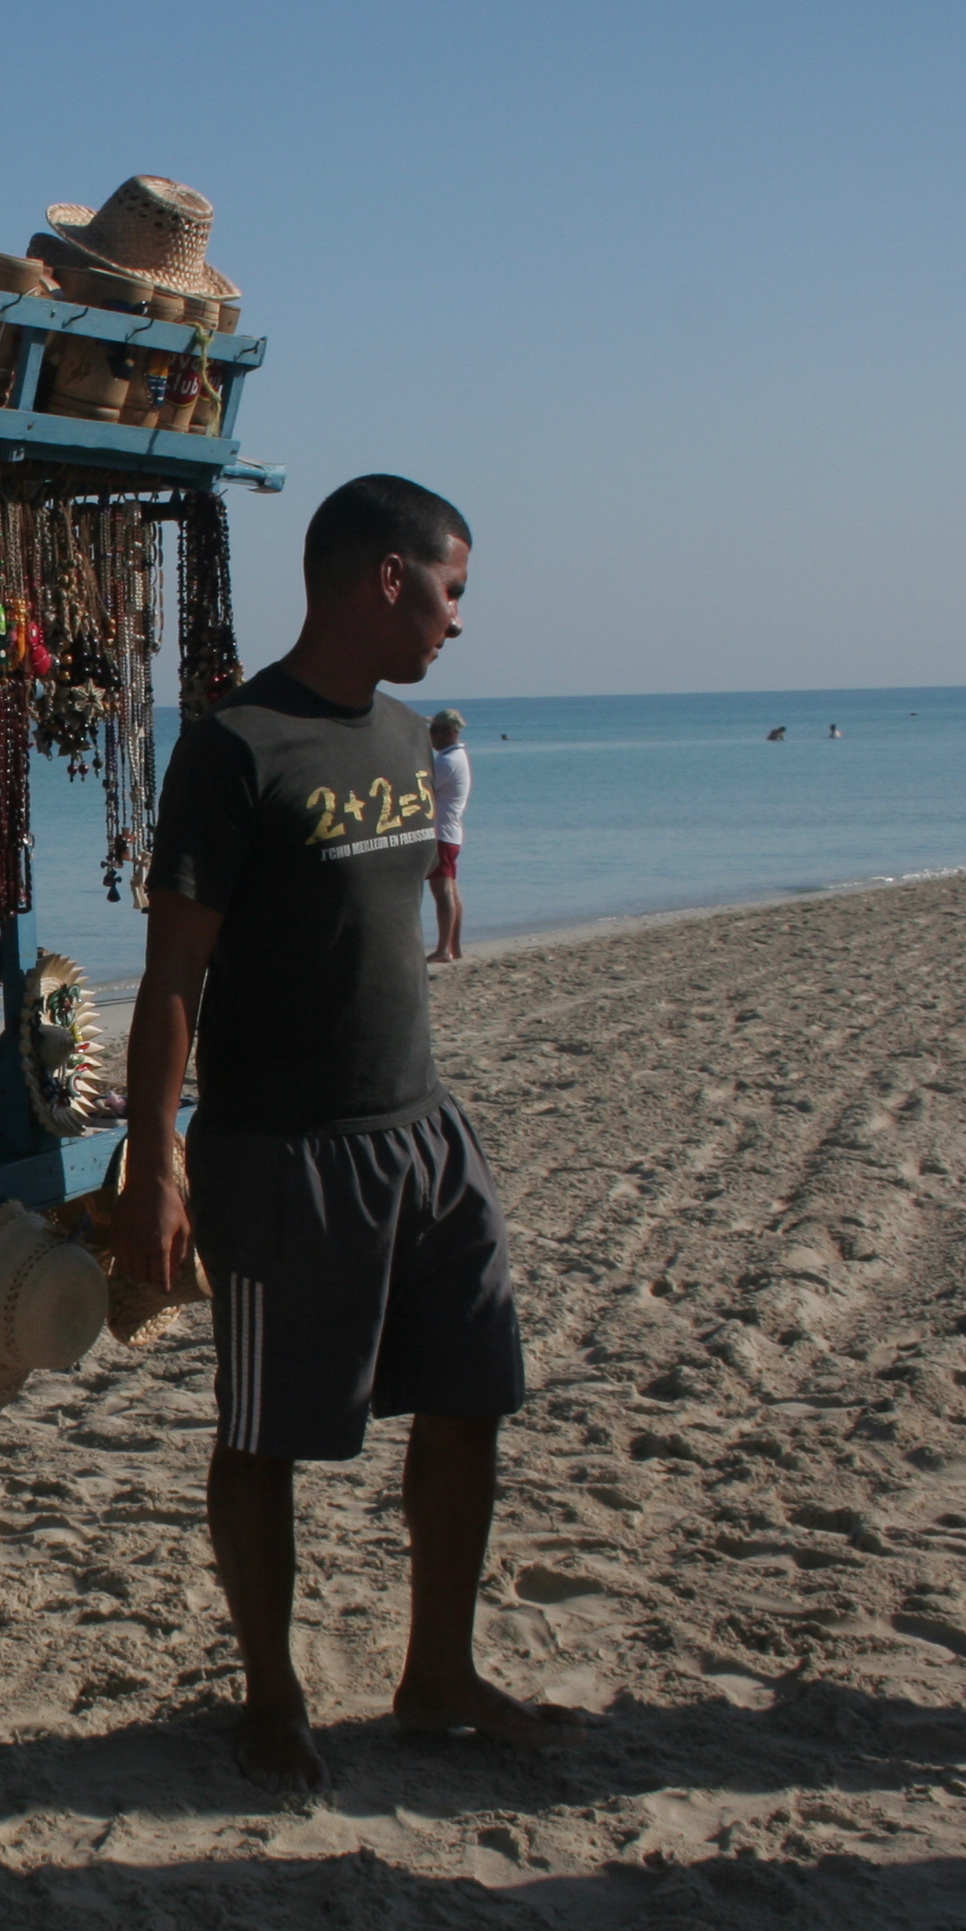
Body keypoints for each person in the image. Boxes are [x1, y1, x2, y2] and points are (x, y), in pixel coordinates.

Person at [116, 473, 582, 1794]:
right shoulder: (237, 746)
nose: (457, 620)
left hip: (423, 1133)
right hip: (282, 1150)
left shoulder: (396, 740)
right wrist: (159, 1162)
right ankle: (271, 1695)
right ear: (388, 577)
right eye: (452, 589)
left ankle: (439, 1672)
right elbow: (172, 980)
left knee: (473, 1398)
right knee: (267, 1434)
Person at [423, 708, 471, 963]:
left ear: (449, 732)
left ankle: (444, 949)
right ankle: (454, 947)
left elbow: (424, 787)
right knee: (450, 888)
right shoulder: (456, 757)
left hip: (442, 832)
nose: (430, 736)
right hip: (450, 831)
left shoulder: (447, 761)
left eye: (434, 731)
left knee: (442, 891)